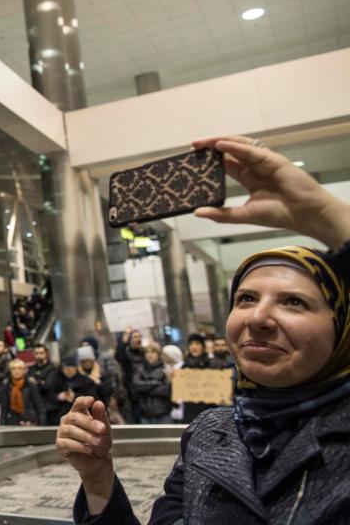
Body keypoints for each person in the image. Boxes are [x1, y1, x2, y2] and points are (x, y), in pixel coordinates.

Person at [56, 135, 350, 523]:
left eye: (293, 302)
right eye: (245, 299)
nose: (257, 318)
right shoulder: (209, 434)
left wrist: (324, 215)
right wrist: (97, 481)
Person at [46, 353, 98, 425]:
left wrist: (75, 397)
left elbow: (93, 399)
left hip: (81, 419)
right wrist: (58, 397)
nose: (69, 370)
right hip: (59, 420)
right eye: (66, 368)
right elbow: (47, 398)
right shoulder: (55, 381)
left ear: (76, 368)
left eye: (71, 368)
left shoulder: (86, 381)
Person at [0, 358, 46, 426]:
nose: (16, 371)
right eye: (13, 368)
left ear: (24, 370)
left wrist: (42, 425)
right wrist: (2, 426)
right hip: (13, 422)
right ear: (10, 371)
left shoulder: (30, 384)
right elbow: (4, 408)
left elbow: (39, 406)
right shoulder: (6, 386)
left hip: (30, 421)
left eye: (19, 368)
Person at [130, 344, 172, 425]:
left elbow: (166, 390)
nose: (149, 355)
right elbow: (136, 386)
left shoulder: (165, 369)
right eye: (147, 352)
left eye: (153, 352)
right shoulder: (140, 369)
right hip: (145, 414)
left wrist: (145, 389)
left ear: (158, 354)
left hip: (163, 414)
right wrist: (156, 383)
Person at [114, 328, 146, 423]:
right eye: (135, 337)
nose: (138, 339)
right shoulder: (126, 354)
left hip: (145, 393)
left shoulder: (145, 353)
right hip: (131, 395)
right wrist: (124, 340)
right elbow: (119, 356)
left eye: (139, 336)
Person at [182, 332, 215, 423]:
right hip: (190, 410)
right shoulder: (184, 366)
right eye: (191, 344)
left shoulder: (210, 364)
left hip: (207, 410)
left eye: (197, 344)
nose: (194, 347)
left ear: (203, 347)